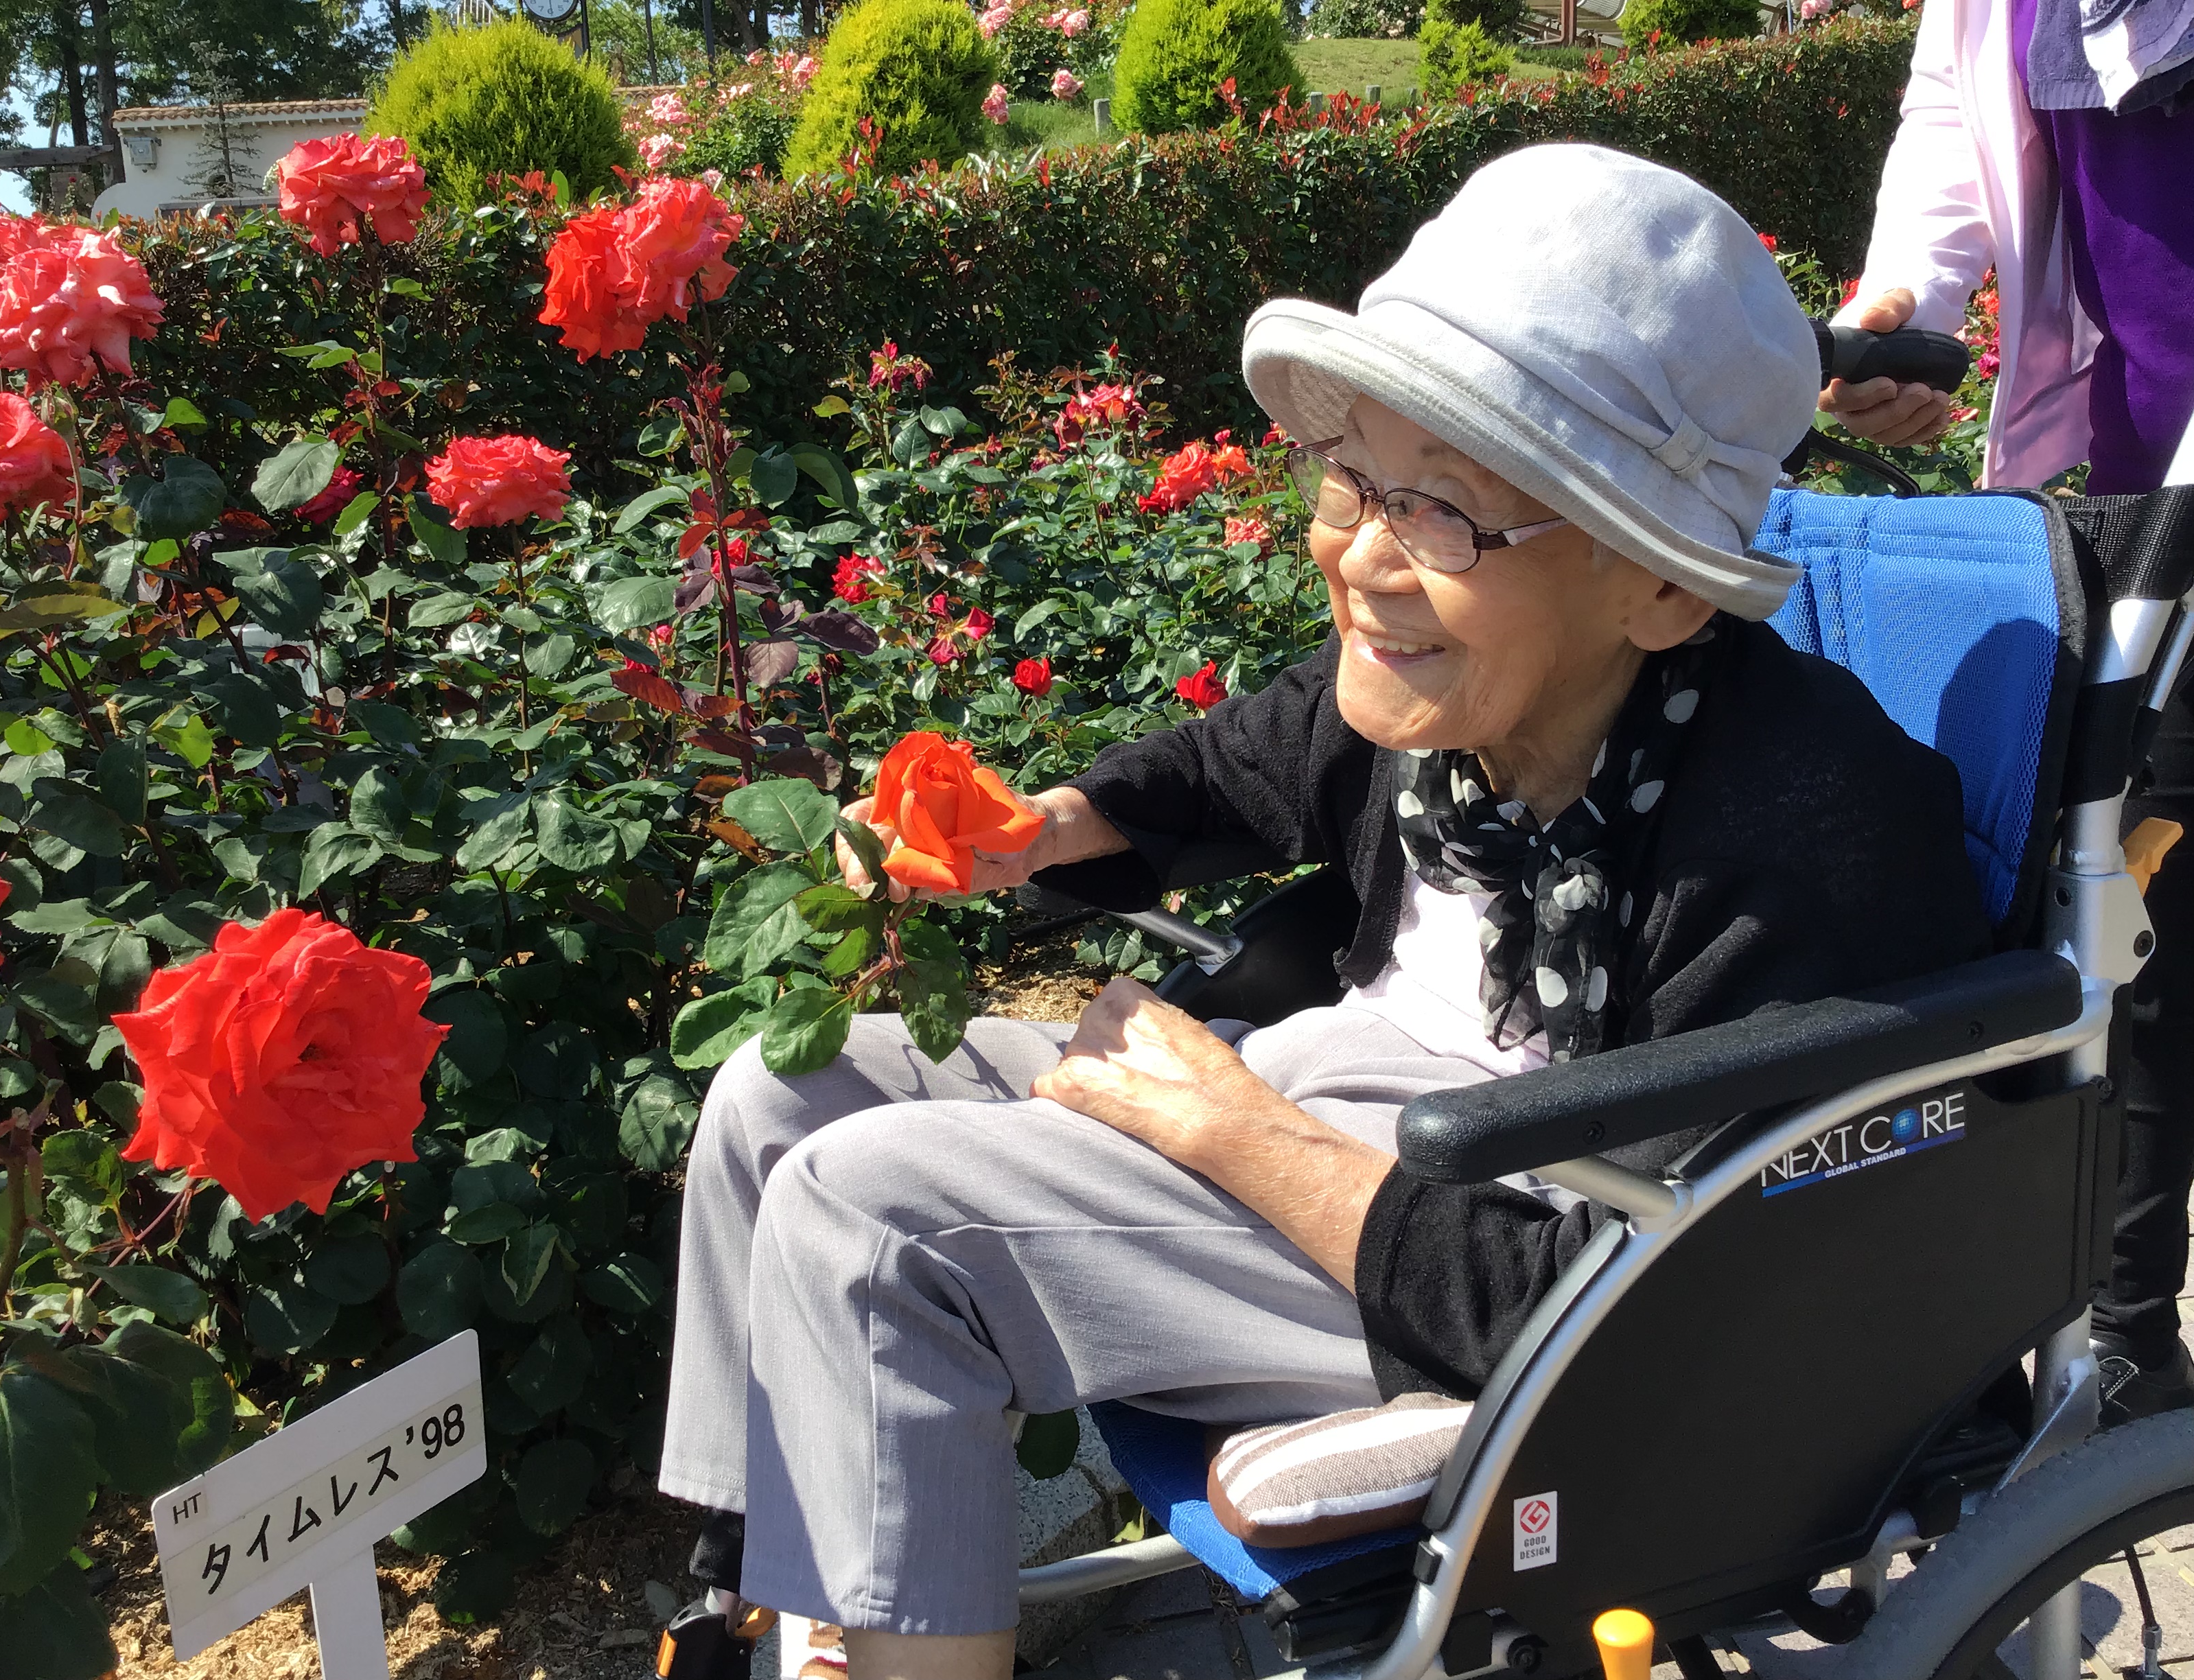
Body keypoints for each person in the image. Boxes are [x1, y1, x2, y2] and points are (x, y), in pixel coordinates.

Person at [657, 143, 1993, 1680]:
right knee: (779, 1096)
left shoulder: (1803, 840)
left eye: (1449, 517)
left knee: (874, 1215)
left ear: (1663, 591)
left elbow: (1649, 1310)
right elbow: (1217, 771)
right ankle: (774, 1615)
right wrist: (1035, 833)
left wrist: (1237, 1132)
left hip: (1507, 1253)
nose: (1358, 555)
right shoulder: (1434, 704)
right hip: (1322, 1120)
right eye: (1356, 477)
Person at [1818, 0, 2194, 1416]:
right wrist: (1903, 307)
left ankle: (2124, 1332)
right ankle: (2120, 1332)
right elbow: (1952, 109)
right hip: (2140, 482)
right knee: (2126, 893)